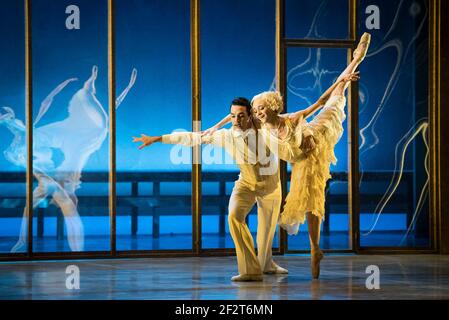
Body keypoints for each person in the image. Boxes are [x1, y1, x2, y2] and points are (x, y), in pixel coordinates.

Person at [133, 97, 313, 281]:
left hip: (271, 186)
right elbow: (192, 138)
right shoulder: (225, 136)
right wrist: (158, 139)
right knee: (234, 216)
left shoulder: (264, 128)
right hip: (246, 184)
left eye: (241, 116)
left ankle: (267, 264)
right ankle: (250, 271)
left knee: (266, 231)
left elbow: (289, 120)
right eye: (233, 116)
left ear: (251, 115)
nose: (236, 120)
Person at [251, 32, 371, 278]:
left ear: (272, 106)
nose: (258, 112)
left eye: (261, 108)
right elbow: (236, 120)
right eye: (256, 110)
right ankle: (316, 250)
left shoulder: (292, 118)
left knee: (336, 98)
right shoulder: (261, 129)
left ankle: (356, 60)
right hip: (301, 157)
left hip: (317, 137)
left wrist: (343, 80)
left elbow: (319, 102)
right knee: (308, 198)